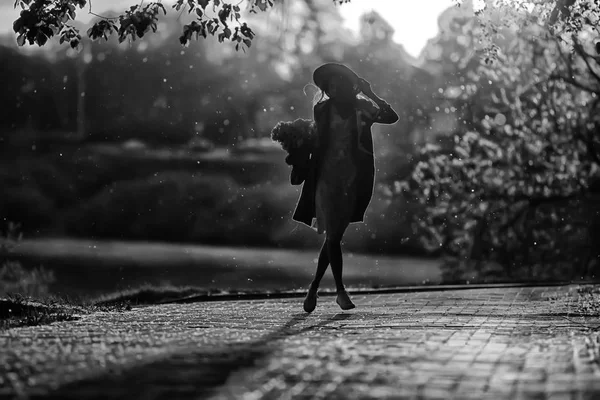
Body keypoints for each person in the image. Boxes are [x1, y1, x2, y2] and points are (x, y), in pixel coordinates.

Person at [291, 63, 399, 313]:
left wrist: (370, 93)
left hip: (352, 180)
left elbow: (391, 117)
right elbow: (315, 140)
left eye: (338, 83)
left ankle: (313, 287)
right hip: (325, 178)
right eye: (329, 86)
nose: (334, 88)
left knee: (334, 237)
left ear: (350, 86)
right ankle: (340, 291)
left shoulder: (364, 108)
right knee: (333, 237)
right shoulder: (322, 110)